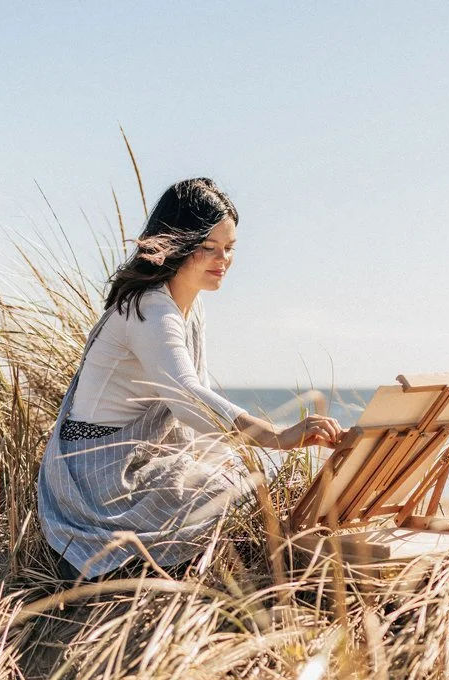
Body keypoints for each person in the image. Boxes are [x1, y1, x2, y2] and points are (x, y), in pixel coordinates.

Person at [38, 177, 342, 580]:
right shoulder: (149, 309)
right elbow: (185, 395)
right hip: (99, 477)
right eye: (208, 248)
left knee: (245, 473)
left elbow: (188, 407)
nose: (223, 260)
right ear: (176, 244)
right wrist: (275, 435)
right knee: (240, 487)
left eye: (229, 249)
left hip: (136, 454)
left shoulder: (187, 305)